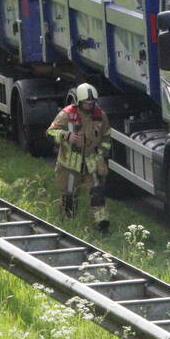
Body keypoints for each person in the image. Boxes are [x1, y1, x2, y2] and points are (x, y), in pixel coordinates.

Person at [46, 83, 112, 233]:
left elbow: (107, 137)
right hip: (70, 164)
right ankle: (68, 227)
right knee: (69, 196)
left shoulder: (100, 116)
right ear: (79, 102)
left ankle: (103, 228)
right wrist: (67, 136)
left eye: (92, 103)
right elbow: (51, 132)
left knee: (98, 197)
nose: (90, 106)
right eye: (86, 103)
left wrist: (101, 155)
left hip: (92, 163)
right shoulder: (66, 114)